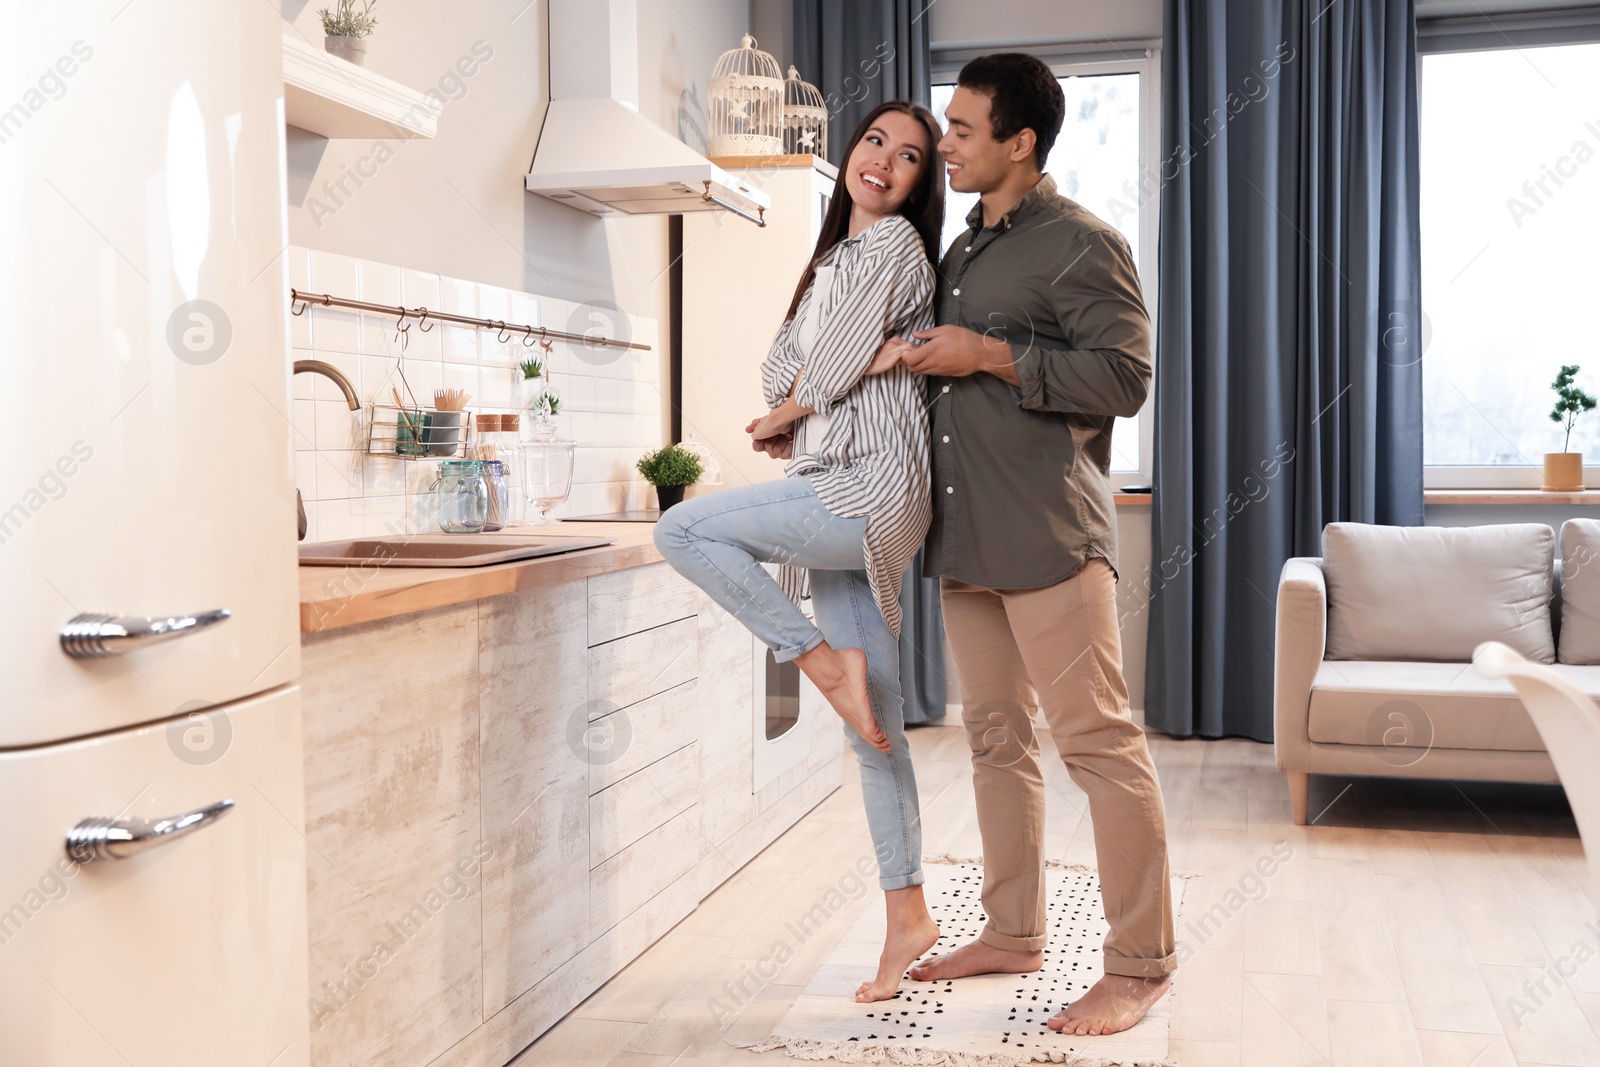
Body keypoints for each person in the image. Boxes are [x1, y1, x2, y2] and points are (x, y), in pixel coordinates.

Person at [871, 53, 1176, 1037]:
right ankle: (1011, 929)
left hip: (1049, 535)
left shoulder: (1081, 243)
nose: (943, 143)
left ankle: (1139, 963)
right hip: (965, 536)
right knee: (997, 741)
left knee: (1098, 744)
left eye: (961, 130)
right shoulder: (961, 247)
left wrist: (988, 354)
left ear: (1019, 143)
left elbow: (1124, 377)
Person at [653, 100, 946, 1003]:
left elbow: (811, 375)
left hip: (868, 479)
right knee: (877, 724)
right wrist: (806, 401)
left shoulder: (894, 245)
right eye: (874, 143)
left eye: (908, 158)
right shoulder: (828, 262)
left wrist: (798, 407)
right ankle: (910, 914)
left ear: (918, 184)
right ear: (851, 150)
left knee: (683, 527)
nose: (884, 164)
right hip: (843, 472)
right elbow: (781, 367)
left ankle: (816, 662)